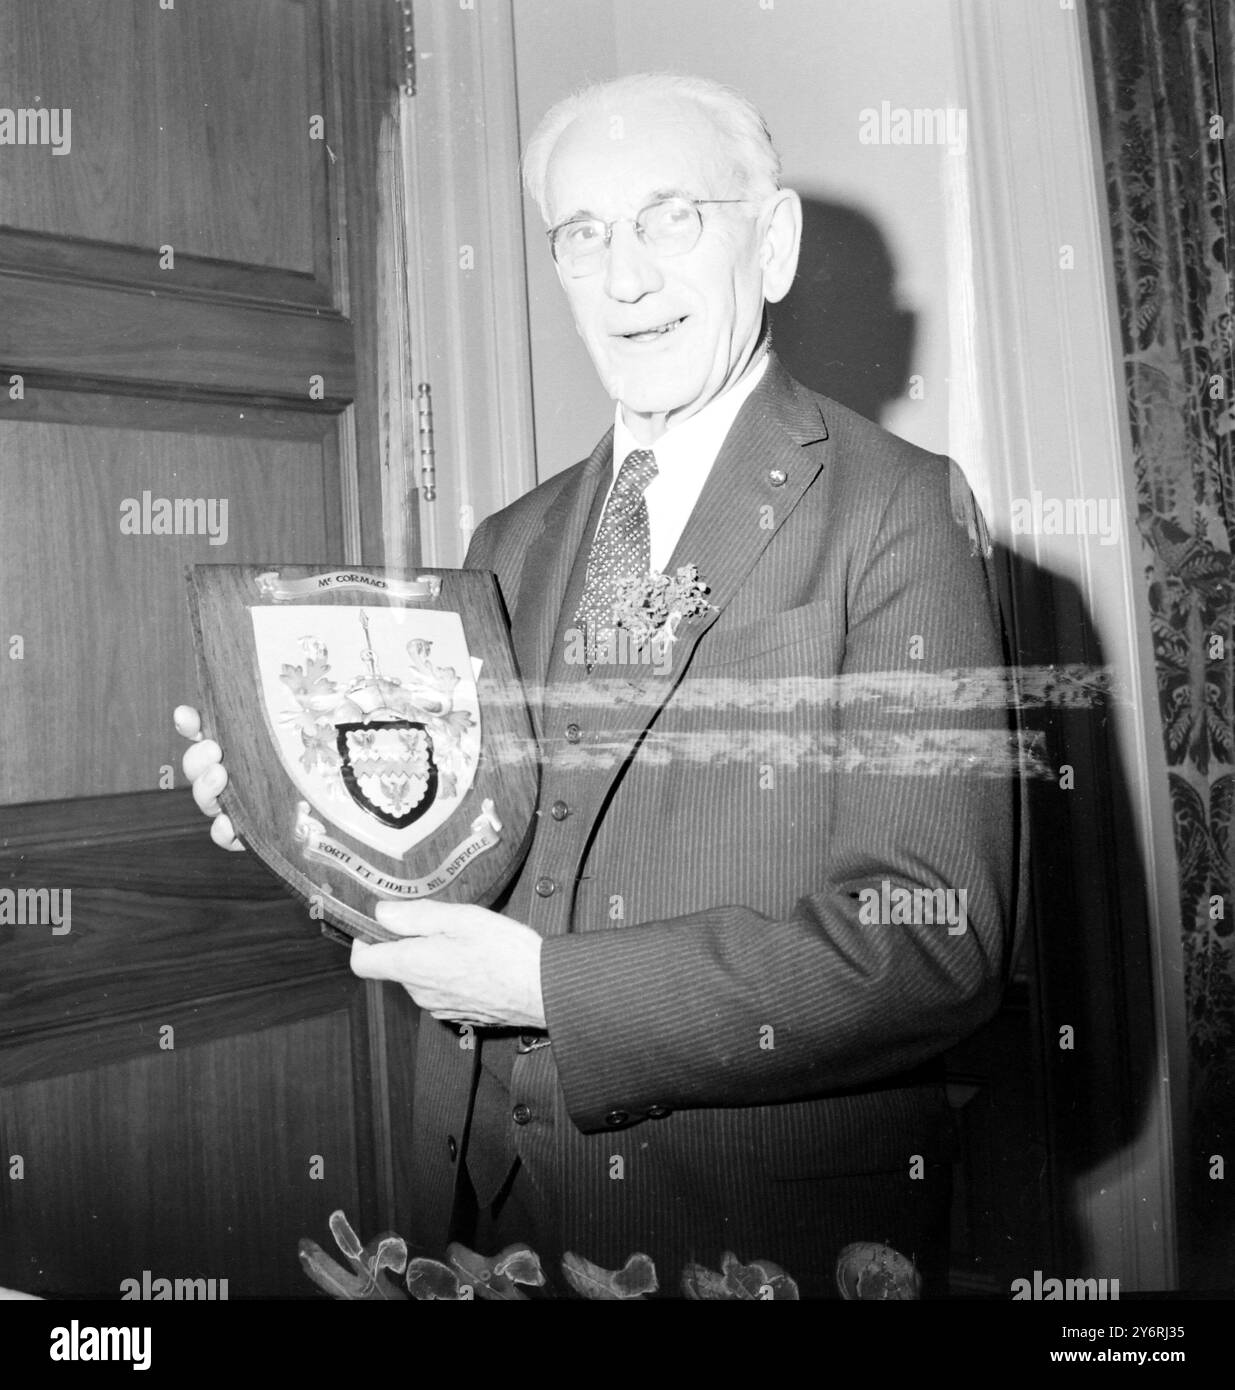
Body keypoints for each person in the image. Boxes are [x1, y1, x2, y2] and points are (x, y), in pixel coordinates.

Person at [178, 71, 1020, 1298]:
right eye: (581, 235)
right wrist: (293, 807)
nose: (623, 277)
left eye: (669, 218)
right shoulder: (505, 545)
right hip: (485, 1217)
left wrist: (543, 989)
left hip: (752, 1229)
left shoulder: (898, 511)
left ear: (771, 243)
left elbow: (931, 942)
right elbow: (449, 859)